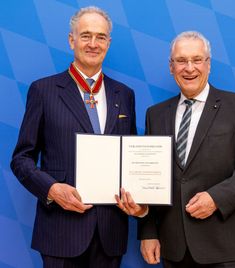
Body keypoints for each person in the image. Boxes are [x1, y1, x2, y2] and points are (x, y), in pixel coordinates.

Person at [10, 6, 146, 268]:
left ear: (108, 43)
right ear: (71, 40)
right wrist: (51, 189)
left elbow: (129, 158)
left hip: (110, 233)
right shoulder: (43, 90)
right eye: (85, 35)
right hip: (60, 231)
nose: (93, 43)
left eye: (100, 37)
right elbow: (21, 159)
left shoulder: (124, 95)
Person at [138, 31, 235, 268]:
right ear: (171, 67)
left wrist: (216, 198)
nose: (189, 68)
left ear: (208, 64)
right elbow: (149, 178)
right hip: (173, 246)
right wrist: (148, 232)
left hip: (222, 246)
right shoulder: (156, 114)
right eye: (181, 60)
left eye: (197, 59)